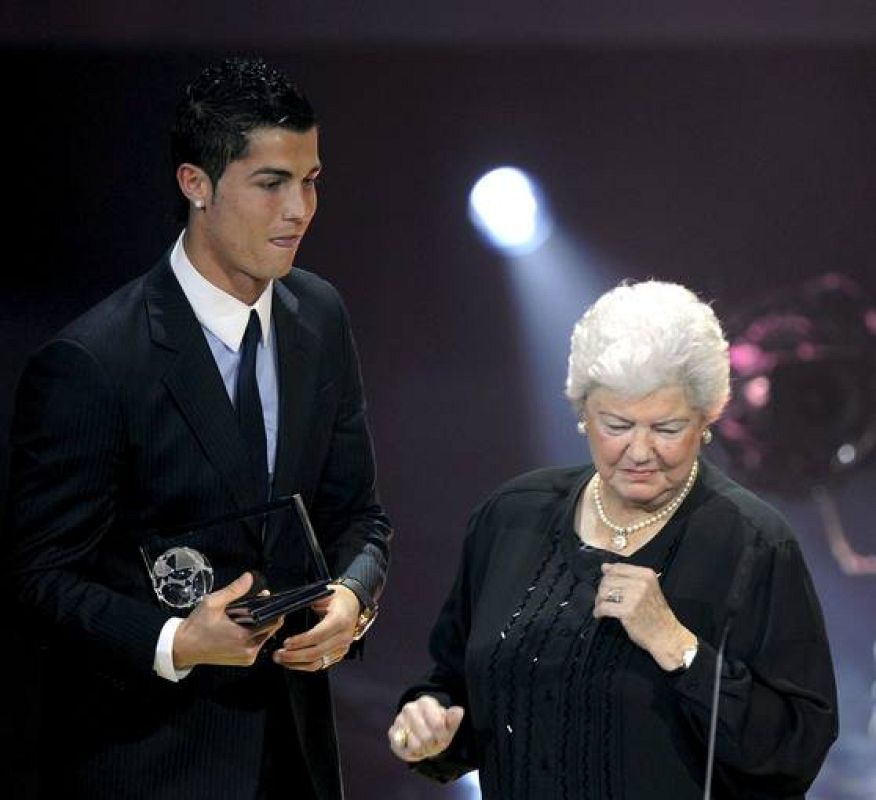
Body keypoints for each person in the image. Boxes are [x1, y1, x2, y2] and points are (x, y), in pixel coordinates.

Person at [2, 56, 391, 800]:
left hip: (298, 761)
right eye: (272, 182)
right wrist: (175, 640)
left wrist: (352, 599)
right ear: (196, 184)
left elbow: (360, 516)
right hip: (147, 763)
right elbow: (36, 577)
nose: (300, 209)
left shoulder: (320, 318)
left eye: (310, 180)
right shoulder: (94, 361)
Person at [388, 280, 838, 798]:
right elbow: (454, 685)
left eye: (667, 428)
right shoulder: (511, 516)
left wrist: (678, 647)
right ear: (583, 414)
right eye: (617, 425)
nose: (639, 451)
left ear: (707, 420)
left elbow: (797, 748)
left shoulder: (754, 543)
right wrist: (430, 727)